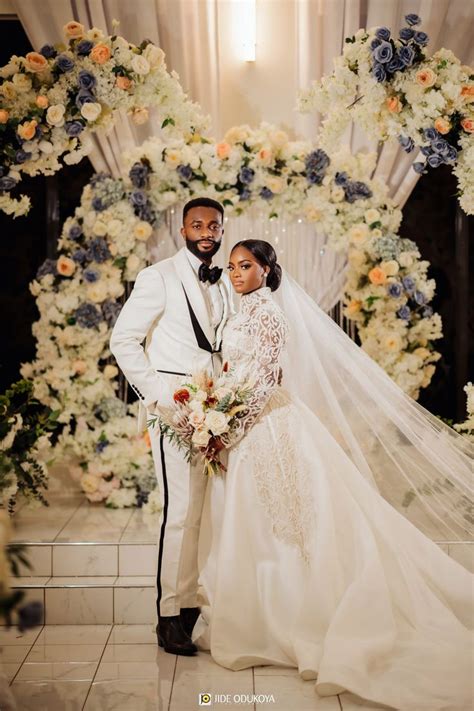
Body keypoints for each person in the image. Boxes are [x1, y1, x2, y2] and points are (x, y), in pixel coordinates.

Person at [194, 239, 473, 710]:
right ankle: (257, 619)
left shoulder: (269, 316)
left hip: (267, 427)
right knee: (255, 522)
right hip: (242, 427)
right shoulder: (239, 312)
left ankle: (290, 621)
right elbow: (235, 375)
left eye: (246, 266)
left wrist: (226, 430)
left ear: (266, 270)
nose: (236, 273)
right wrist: (214, 417)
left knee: (288, 520)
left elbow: (262, 383)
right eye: (232, 266)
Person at [110, 197, 232, 656]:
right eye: (197, 224)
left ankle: (193, 606)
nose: (206, 232)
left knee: (209, 512)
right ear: (182, 230)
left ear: (222, 231)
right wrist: (162, 398)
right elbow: (123, 339)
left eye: (213, 225)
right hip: (174, 408)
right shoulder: (157, 276)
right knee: (180, 512)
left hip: (219, 410)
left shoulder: (225, 284)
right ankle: (168, 615)